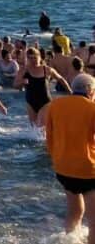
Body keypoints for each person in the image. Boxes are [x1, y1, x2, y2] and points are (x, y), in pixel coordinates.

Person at [45, 73, 95, 243]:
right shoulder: (92, 108)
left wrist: (56, 158)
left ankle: (69, 239)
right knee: (94, 220)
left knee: (74, 210)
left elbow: (49, 137)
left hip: (62, 167)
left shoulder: (55, 105)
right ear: (89, 90)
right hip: (87, 169)